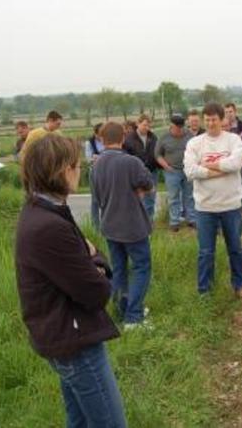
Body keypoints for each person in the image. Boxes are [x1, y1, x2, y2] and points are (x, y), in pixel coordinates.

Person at [16, 134, 126, 427]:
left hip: (62, 335)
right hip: (74, 342)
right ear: (63, 170)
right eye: (77, 165)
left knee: (78, 421)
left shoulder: (42, 210)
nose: (80, 171)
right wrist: (96, 259)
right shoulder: (49, 226)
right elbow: (98, 292)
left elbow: (82, 266)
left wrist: (90, 256)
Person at [184, 102, 242, 297]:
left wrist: (206, 165)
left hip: (230, 205)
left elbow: (236, 163)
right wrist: (220, 171)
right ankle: (205, 290)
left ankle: (240, 285)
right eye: (207, 120)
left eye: (214, 119)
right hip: (205, 207)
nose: (211, 123)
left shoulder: (233, 140)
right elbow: (190, 171)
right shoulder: (195, 144)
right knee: (206, 252)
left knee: (236, 248)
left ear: (222, 120)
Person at [93, 122, 155, 330]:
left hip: (110, 225)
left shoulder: (96, 165)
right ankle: (134, 317)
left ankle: (122, 311)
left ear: (102, 140)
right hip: (133, 226)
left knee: (118, 270)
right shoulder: (131, 162)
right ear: (123, 137)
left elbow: (98, 197)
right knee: (141, 267)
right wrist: (139, 190)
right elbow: (148, 184)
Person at [155, 114, 196, 232]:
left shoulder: (189, 135)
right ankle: (174, 221)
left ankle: (191, 219)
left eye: (181, 127)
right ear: (171, 125)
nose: (179, 130)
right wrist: (166, 166)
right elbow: (157, 154)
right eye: (177, 127)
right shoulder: (164, 137)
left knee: (189, 196)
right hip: (171, 171)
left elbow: (195, 151)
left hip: (187, 170)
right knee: (173, 197)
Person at [123, 114, 159, 219]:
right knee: (137, 198)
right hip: (135, 173)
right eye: (144, 125)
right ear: (138, 124)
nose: (147, 128)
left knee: (151, 198)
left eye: (149, 126)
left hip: (152, 171)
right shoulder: (129, 139)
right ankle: (137, 221)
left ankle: (149, 222)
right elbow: (126, 155)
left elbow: (157, 153)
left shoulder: (153, 137)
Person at [224, 103, 242, 211]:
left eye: (230, 112)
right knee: (227, 182)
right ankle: (229, 204)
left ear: (235, 112)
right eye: (226, 112)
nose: (229, 114)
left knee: (241, 181)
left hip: (240, 159)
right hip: (226, 159)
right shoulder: (222, 125)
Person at [85, 123, 105, 229]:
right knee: (95, 200)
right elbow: (89, 159)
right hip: (95, 173)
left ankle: (106, 225)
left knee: (106, 198)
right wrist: (102, 157)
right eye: (100, 134)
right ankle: (95, 226)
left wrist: (98, 157)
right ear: (95, 133)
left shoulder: (107, 140)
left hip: (107, 172)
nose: (102, 137)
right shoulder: (89, 142)